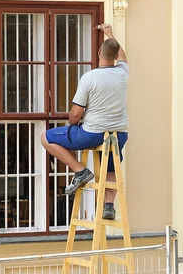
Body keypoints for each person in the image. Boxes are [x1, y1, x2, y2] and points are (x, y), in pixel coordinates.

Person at [40, 23, 129, 220]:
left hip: (92, 134)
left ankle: (80, 171)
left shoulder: (89, 78)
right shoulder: (123, 73)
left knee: (46, 137)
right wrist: (110, 34)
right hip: (119, 134)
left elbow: (75, 113)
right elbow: (123, 56)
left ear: (99, 52)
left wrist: (72, 124)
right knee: (111, 165)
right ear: (115, 57)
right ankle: (108, 205)